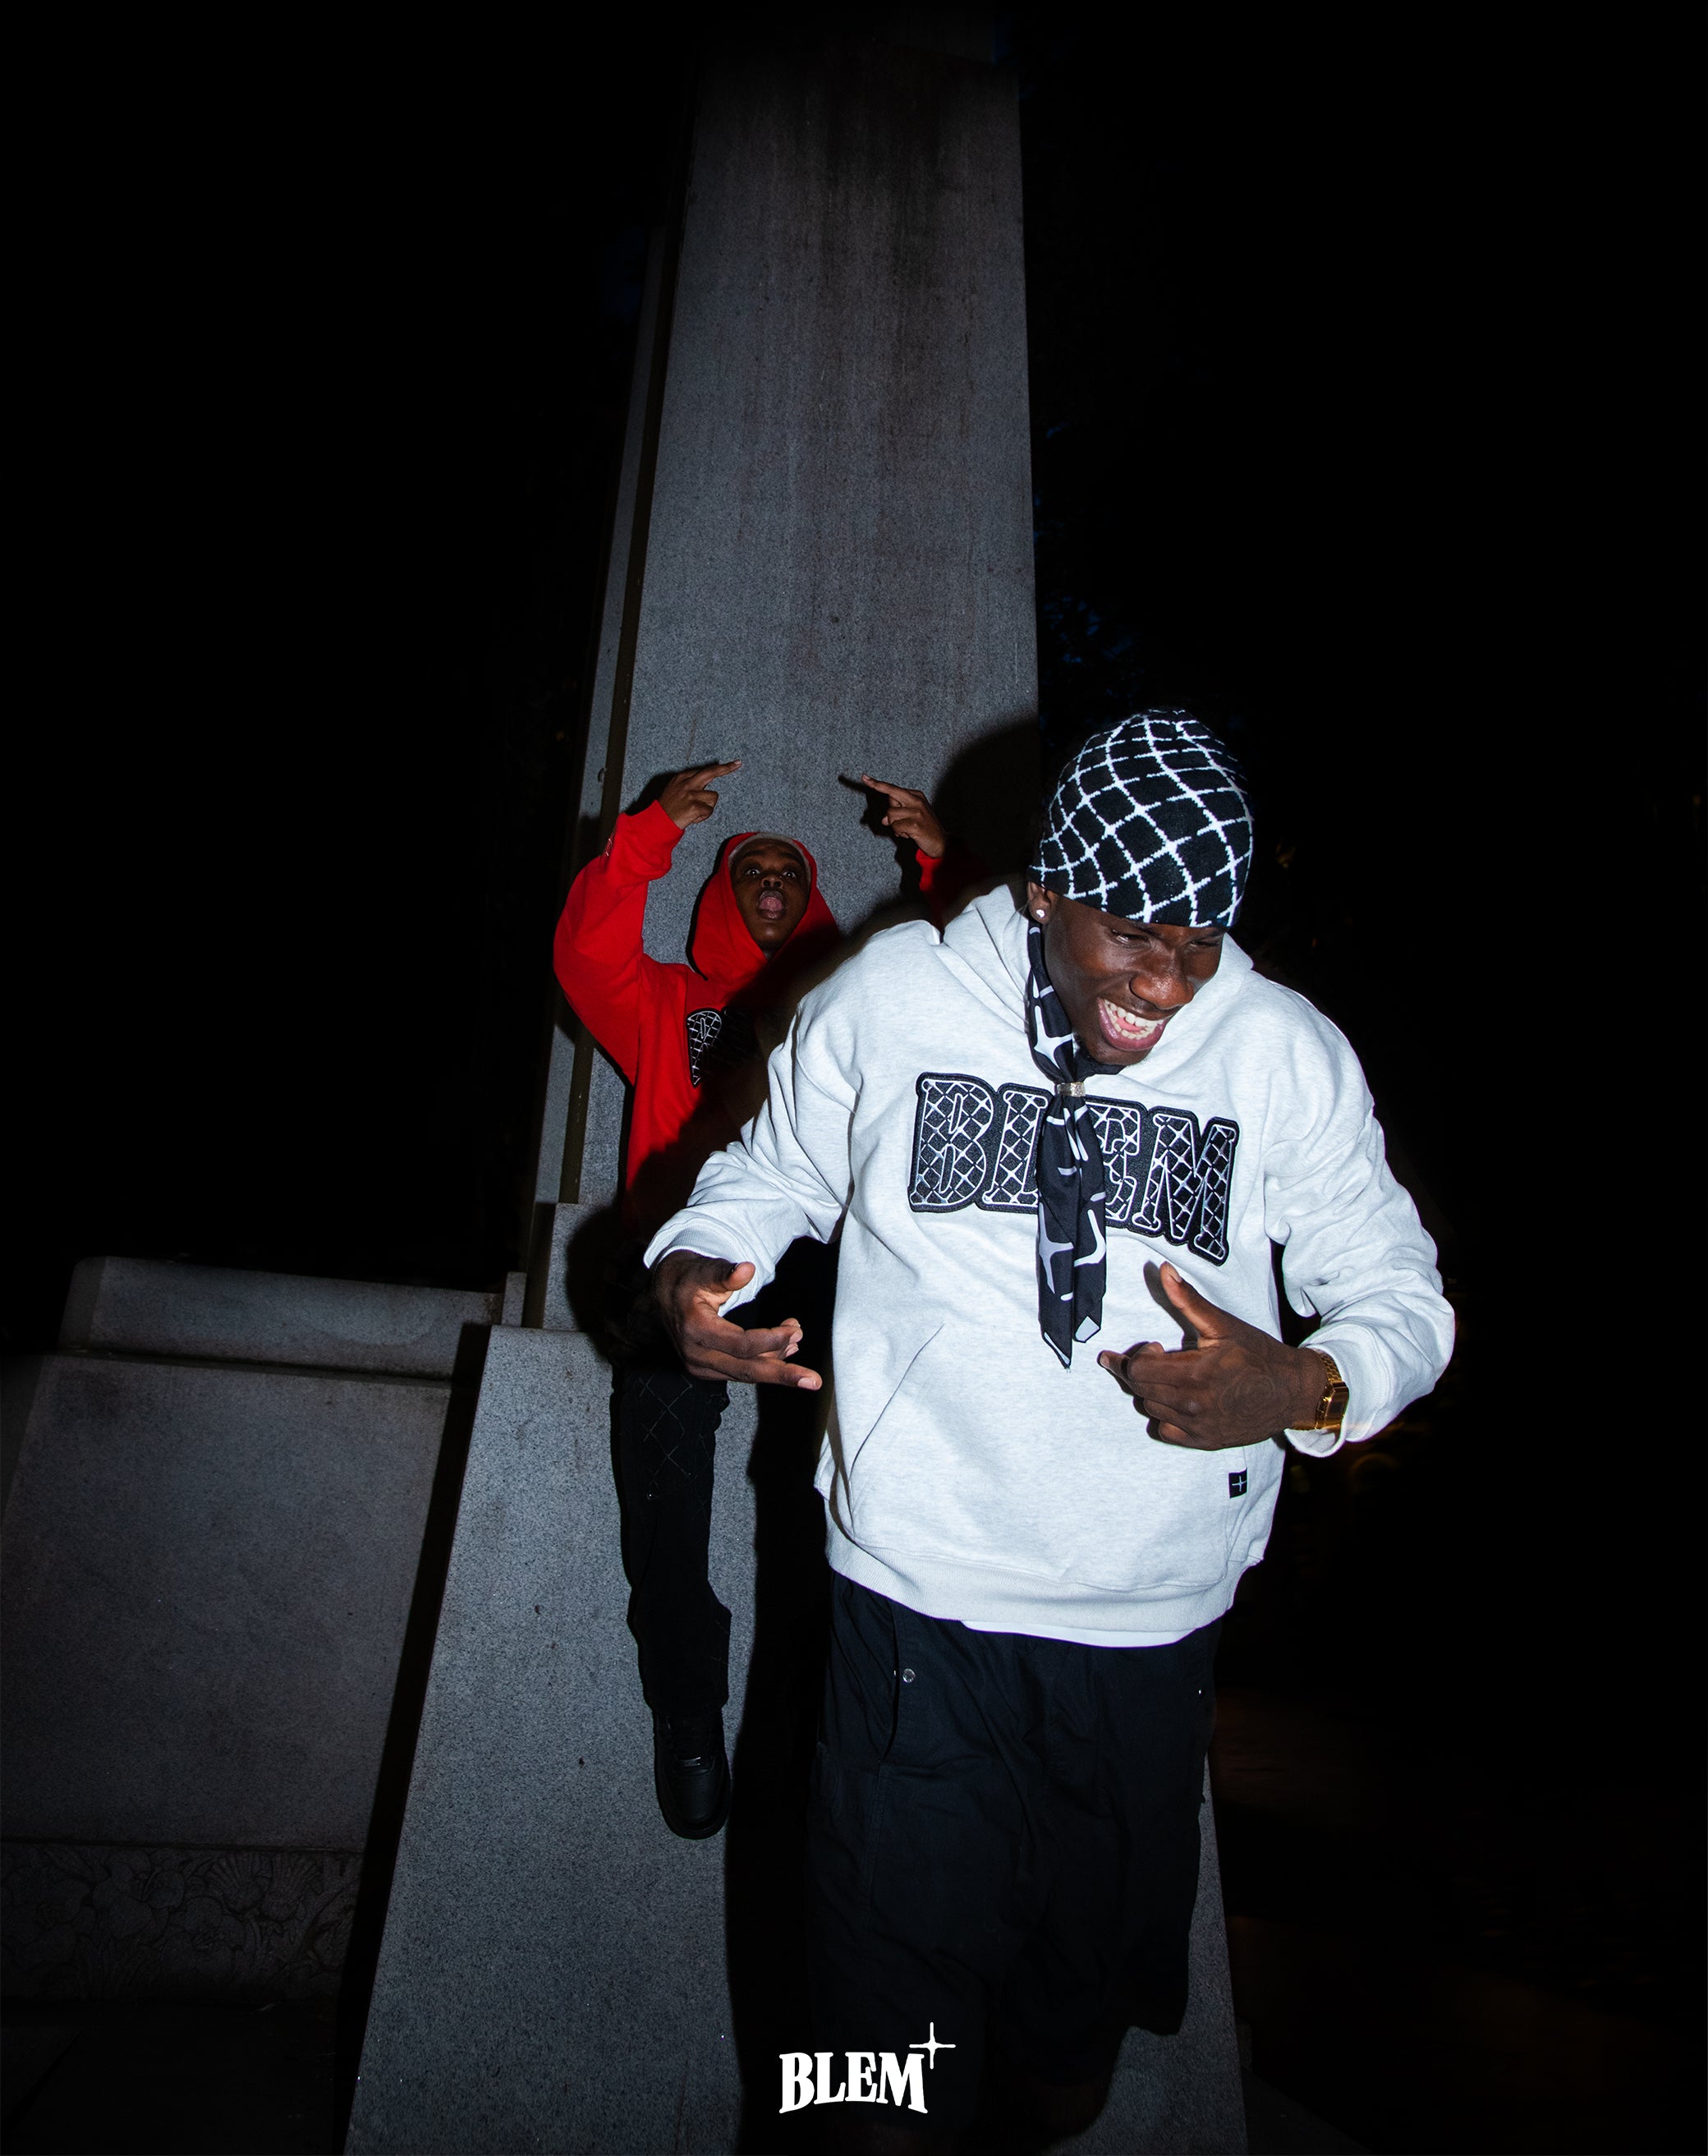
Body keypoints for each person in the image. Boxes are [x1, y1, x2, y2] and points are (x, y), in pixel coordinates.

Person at [645, 712, 1454, 2145]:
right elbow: (765, 1173)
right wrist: (693, 1270)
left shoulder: (1279, 1054)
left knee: (1063, 2061)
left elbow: (1402, 1296)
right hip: (918, 1617)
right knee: (877, 2074)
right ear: (1043, 889)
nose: (1164, 979)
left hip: (1149, 1640)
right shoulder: (892, 1000)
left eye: (1199, 941)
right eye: (1133, 932)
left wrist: (1304, 1389)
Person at [553, 761, 979, 1840]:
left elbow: (971, 986)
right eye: (756, 870)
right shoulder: (665, 1002)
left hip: (820, 1263)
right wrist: (649, 835)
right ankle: (687, 1705)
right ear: (725, 897)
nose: (776, 880)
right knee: (665, 1486)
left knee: (821, 1498)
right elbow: (586, 953)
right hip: (684, 1266)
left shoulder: (852, 1010)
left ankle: (821, 1726)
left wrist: (942, 859)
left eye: (793, 868)